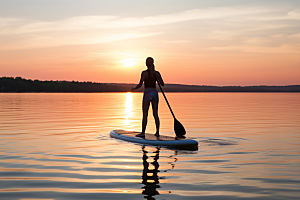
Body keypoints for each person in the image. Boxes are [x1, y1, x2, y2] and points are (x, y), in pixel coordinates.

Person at [131, 57, 164, 137]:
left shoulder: (144, 73)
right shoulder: (157, 73)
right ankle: (157, 132)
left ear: (146, 64)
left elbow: (140, 84)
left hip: (147, 93)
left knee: (145, 114)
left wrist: (134, 88)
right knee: (155, 114)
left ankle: (143, 133)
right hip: (154, 93)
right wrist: (158, 80)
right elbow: (162, 84)